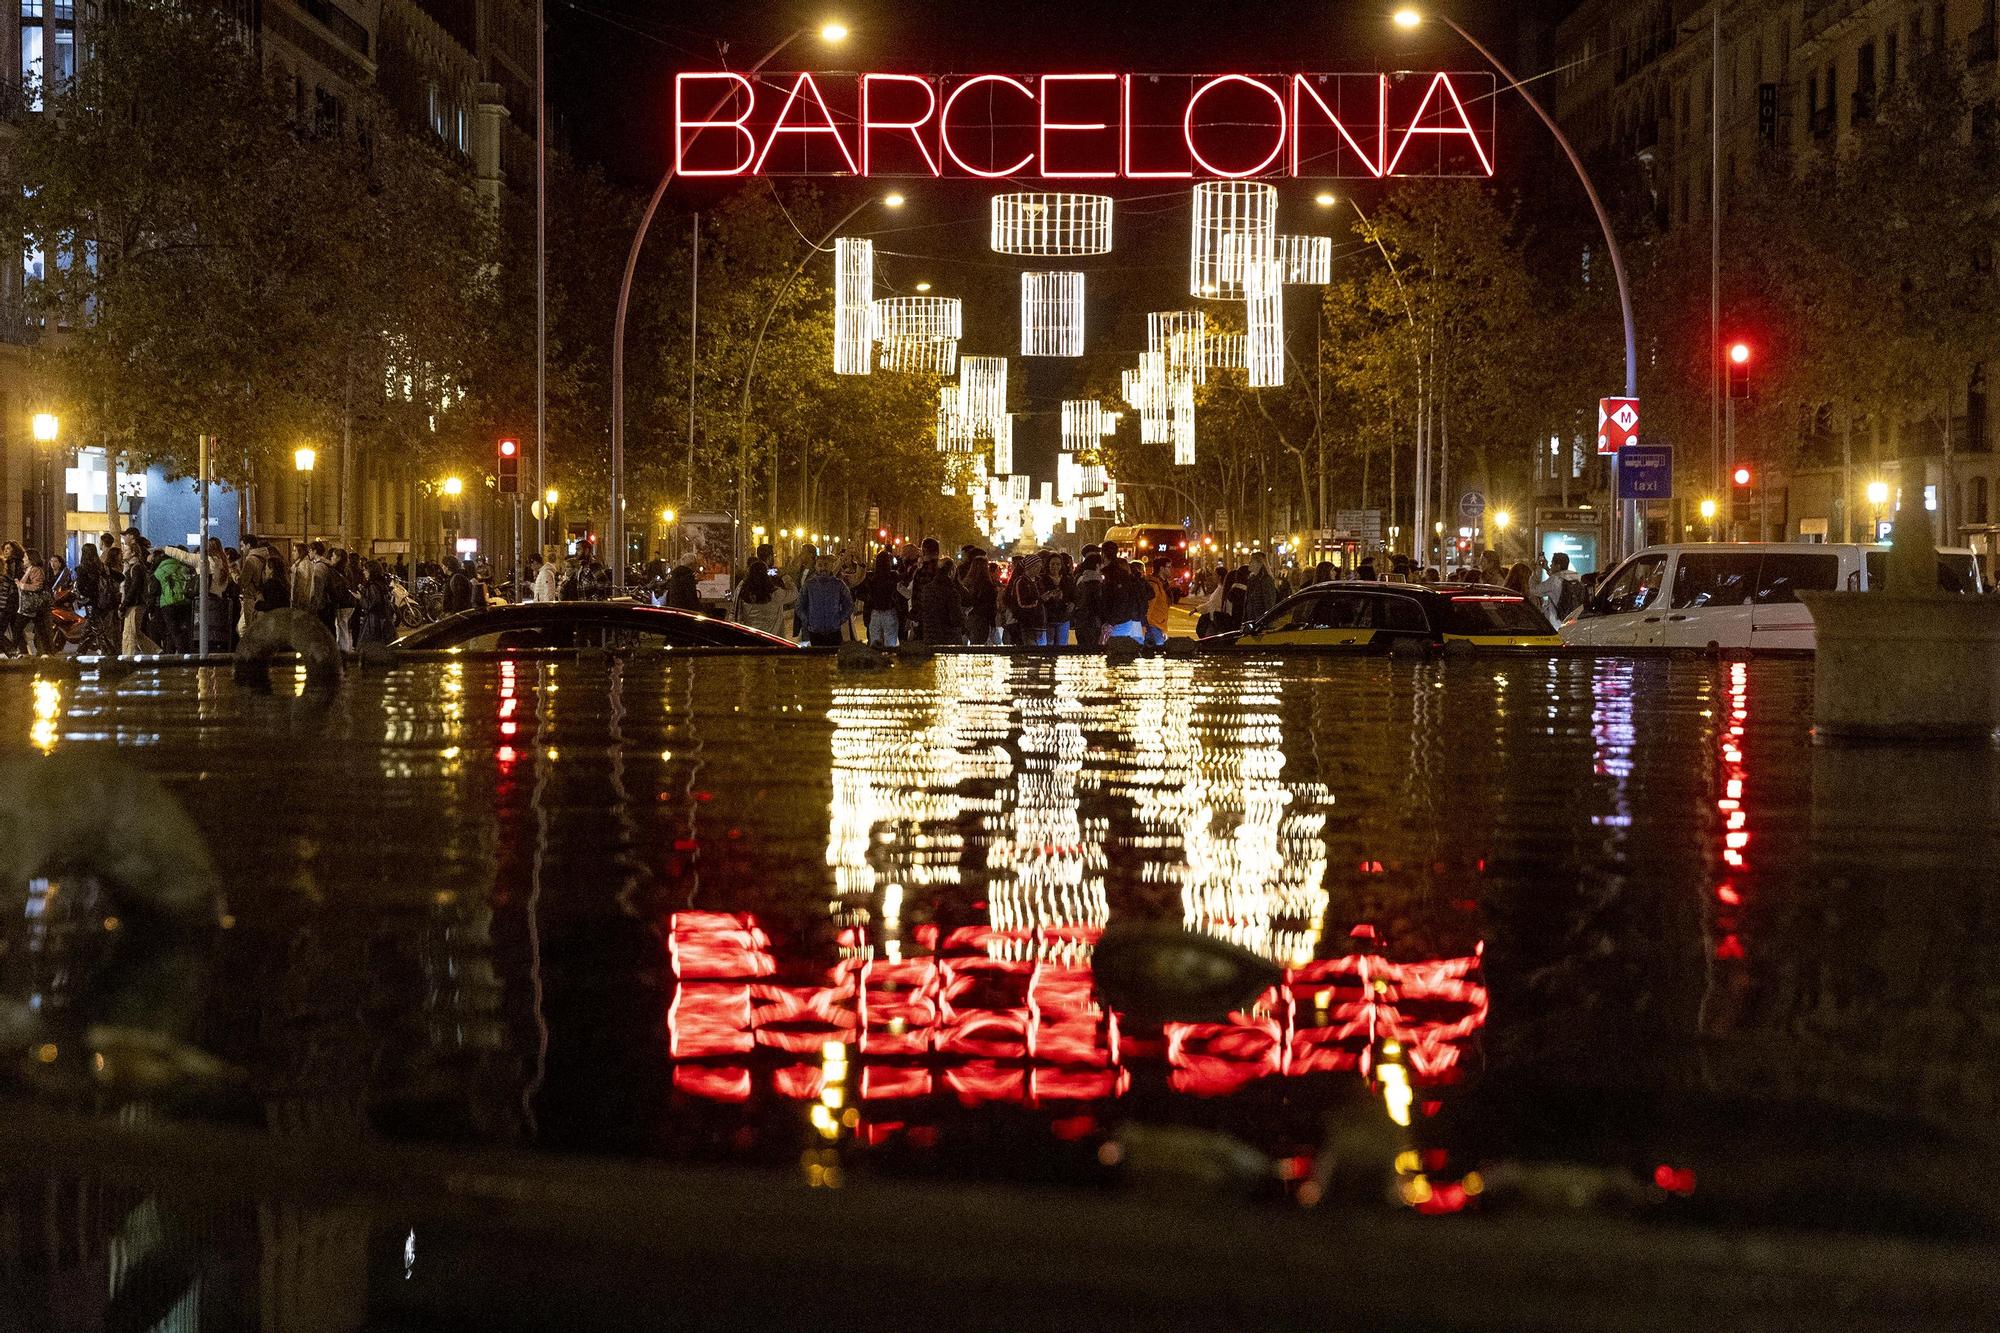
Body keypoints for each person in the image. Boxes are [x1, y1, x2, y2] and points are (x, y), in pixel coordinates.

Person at [797, 555, 855, 646]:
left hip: (834, 632)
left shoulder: (839, 584)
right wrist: (808, 620)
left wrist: (839, 620)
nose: (823, 568)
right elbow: (799, 605)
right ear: (815, 566)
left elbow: (849, 605)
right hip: (815, 633)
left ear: (831, 566)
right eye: (820, 565)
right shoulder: (809, 585)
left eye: (826, 565)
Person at [237, 535, 287, 637]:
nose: (241, 549)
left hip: (252, 597)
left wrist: (235, 575)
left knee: (247, 629)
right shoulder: (266, 556)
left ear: (249, 545)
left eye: (242, 546)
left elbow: (243, 582)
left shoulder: (250, 560)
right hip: (262, 596)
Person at [732, 559, 796, 638]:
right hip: (770, 639)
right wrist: (784, 576)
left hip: (750, 637)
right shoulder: (775, 594)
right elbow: (794, 593)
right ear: (766, 575)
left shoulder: (744, 594)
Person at [858, 550, 906, 647]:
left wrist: (869, 600)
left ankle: (876, 660)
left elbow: (861, 593)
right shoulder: (893, 576)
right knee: (890, 644)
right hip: (889, 611)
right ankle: (890, 660)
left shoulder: (871, 577)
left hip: (875, 611)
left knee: (875, 643)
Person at [916, 554, 964, 644]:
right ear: (951, 572)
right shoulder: (951, 592)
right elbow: (956, 618)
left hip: (930, 636)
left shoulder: (927, 589)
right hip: (948, 637)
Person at [1005, 554, 1047, 645]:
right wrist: (1040, 601)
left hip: (1039, 623)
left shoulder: (1039, 581)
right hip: (1026, 623)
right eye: (1036, 566)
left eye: (1040, 566)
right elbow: (1020, 604)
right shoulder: (1021, 582)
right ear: (1029, 567)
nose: (1039, 569)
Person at [1532, 551, 1585, 622]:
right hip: (1572, 620)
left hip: (1556, 622)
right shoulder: (1576, 577)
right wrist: (1547, 568)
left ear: (1558, 566)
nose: (1550, 565)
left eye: (1552, 563)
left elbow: (1534, 590)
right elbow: (1558, 582)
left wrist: (1534, 571)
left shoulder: (1554, 580)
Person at [959, 554, 999, 646]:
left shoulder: (966, 583)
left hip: (968, 619)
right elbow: (991, 606)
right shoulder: (988, 585)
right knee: (978, 646)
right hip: (982, 620)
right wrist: (993, 624)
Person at [1072, 552, 1105, 646]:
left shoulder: (1080, 578)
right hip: (1092, 622)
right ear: (1097, 565)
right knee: (1092, 650)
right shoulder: (1096, 582)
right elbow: (1097, 604)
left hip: (1080, 621)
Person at [1043, 552, 1075, 647]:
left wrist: (1071, 606)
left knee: (1062, 646)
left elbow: (1073, 596)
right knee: (1049, 645)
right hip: (1048, 618)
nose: (1055, 567)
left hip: (1063, 618)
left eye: (1058, 564)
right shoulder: (1042, 579)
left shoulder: (1067, 579)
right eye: (1052, 564)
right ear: (1048, 565)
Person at [1143, 557, 1174, 645]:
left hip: (1159, 626)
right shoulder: (1154, 585)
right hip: (1153, 627)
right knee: (1158, 650)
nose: (1171, 569)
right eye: (1168, 567)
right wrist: (1145, 626)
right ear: (1161, 569)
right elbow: (1148, 608)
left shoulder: (1162, 585)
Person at [1244, 552, 1279, 625]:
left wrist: (1265, 623)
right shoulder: (1251, 580)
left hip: (1260, 624)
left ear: (1259, 563)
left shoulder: (1266, 581)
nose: (1249, 563)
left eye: (1251, 561)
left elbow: (1269, 605)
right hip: (1251, 622)